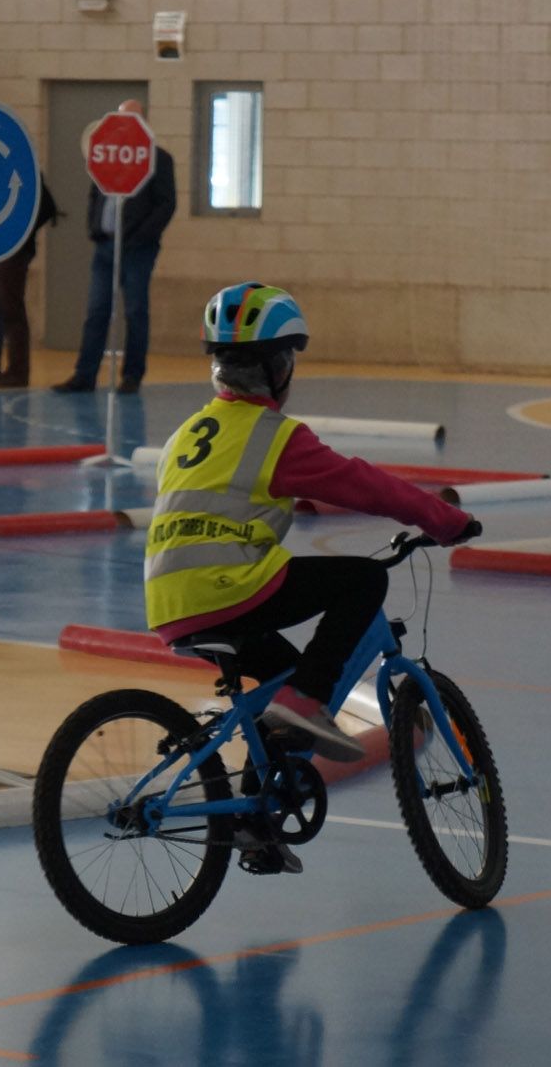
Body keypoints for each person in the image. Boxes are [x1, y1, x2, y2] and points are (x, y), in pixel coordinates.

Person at [145, 284, 478, 775]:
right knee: (363, 581)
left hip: (168, 601)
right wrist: (446, 521)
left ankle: (259, 825)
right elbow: (367, 486)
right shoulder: (274, 436)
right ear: (278, 368)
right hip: (226, 588)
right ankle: (305, 704)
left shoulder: (186, 434)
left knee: (283, 677)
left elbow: (218, 497)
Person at [53, 99, 177, 396]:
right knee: (96, 311)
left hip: (137, 248)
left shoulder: (159, 159)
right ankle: (84, 375)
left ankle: (132, 375)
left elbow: (166, 204)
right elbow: (95, 193)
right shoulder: (106, 155)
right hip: (105, 245)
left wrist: (138, 236)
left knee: (135, 311)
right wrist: (94, 228)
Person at [0, 177, 57, 389]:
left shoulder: (24, 166)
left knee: (11, 309)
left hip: (14, 249)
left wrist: (20, 231)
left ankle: (18, 370)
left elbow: (47, 206)